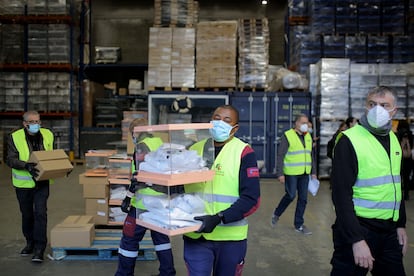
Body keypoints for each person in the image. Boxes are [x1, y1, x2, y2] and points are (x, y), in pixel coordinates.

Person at [330, 86, 408, 275]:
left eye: (383, 105)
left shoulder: (393, 138)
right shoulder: (349, 140)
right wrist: (356, 240)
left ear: (394, 111)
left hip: (388, 231)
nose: (377, 109)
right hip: (358, 229)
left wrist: (400, 224)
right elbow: (341, 195)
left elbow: (396, 185)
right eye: (372, 104)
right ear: (365, 107)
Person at [183, 104, 261, 275]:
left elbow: (252, 198)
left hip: (230, 238)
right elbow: (180, 186)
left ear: (235, 128)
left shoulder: (244, 152)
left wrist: (220, 218)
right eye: (217, 118)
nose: (220, 123)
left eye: (227, 120)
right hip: (196, 234)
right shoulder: (194, 149)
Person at [115, 118, 176, 276]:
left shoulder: (142, 146)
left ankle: (124, 274)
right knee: (162, 240)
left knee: (129, 240)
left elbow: (139, 176)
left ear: (135, 133)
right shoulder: (160, 143)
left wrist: (128, 197)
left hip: (143, 203)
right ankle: (168, 273)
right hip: (162, 201)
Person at [6, 110, 54, 263]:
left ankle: (40, 248)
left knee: (40, 213)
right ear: (25, 124)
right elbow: (10, 159)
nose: (36, 125)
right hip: (23, 184)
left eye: (38, 121)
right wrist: (26, 165)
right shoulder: (15, 137)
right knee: (27, 215)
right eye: (32, 122)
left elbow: (52, 155)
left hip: (42, 181)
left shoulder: (48, 134)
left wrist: (62, 166)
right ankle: (30, 242)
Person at [270, 113, 317, 235]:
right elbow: (280, 155)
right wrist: (280, 173)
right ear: (296, 123)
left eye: (306, 123)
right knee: (290, 195)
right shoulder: (288, 135)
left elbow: (311, 155)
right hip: (291, 173)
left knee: (303, 199)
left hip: (305, 173)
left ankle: (299, 225)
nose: (305, 125)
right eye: (303, 123)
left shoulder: (308, 136)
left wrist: (313, 172)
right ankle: (277, 213)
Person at [396, 119, 413, 200]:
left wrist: (406, 143)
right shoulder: (409, 134)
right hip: (404, 160)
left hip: (401, 160)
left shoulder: (397, 135)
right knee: (406, 178)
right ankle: (406, 194)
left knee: (400, 178)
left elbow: (408, 153)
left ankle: (402, 194)